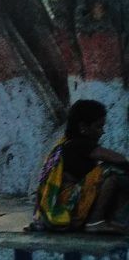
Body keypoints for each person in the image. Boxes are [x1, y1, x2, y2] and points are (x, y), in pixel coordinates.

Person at [32, 99, 129, 233]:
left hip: (70, 205)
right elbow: (119, 158)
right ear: (83, 127)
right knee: (111, 170)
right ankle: (95, 221)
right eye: (98, 127)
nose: (102, 132)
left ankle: (115, 222)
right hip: (67, 206)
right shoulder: (78, 144)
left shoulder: (67, 144)